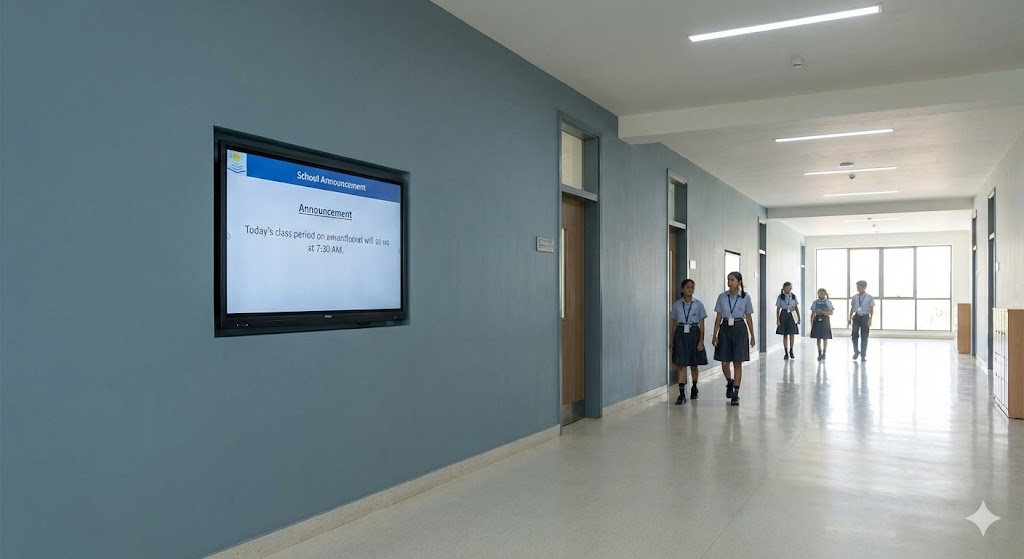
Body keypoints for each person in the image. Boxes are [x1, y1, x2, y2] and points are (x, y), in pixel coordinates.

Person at [712, 271, 755, 406]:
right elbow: (718, 317)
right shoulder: (722, 297)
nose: (729, 282)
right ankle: (730, 381)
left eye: (732, 280)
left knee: (737, 362)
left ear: (739, 282)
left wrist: (752, 335)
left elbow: (748, 317)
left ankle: (736, 393)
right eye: (728, 280)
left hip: (739, 328)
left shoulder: (746, 298)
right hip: (725, 328)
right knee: (724, 362)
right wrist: (714, 334)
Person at [669, 279, 709, 405]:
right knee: (681, 364)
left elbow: (702, 324)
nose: (690, 289)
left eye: (692, 287)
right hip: (681, 333)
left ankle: (694, 387)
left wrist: (701, 341)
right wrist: (672, 340)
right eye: (687, 287)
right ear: (682, 289)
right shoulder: (676, 305)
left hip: (693, 332)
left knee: (693, 363)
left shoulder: (698, 304)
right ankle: (681, 394)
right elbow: (674, 324)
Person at [848, 280, 875, 361]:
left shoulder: (869, 297)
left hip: (865, 317)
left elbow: (871, 309)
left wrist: (870, 319)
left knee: (864, 336)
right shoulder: (855, 297)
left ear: (864, 287)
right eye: (857, 287)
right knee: (854, 334)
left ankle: (863, 355)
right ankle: (856, 351)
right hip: (856, 317)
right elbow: (852, 307)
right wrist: (850, 317)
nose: (857, 288)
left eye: (859, 287)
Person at [775, 282, 800, 360]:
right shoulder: (780, 297)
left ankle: (791, 350)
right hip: (784, 314)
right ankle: (785, 351)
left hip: (792, 315)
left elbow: (796, 307)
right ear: (784, 288)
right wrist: (778, 319)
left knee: (792, 334)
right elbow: (778, 309)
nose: (790, 289)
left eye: (791, 287)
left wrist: (799, 317)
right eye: (789, 287)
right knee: (785, 334)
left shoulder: (793, 296)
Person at [809, 288, 834, 360]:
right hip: (817, 319)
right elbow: (813, 313)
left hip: (825, 319)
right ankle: (819, 352)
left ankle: (824, 352)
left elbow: (831, 312)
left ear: (825, 294)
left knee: (825, 337)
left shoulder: (828, 302)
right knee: (818, 337)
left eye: (822, 294)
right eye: (819, 293)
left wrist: (824, 312)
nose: (820, 295)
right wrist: (811, 321)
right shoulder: (815, 302)